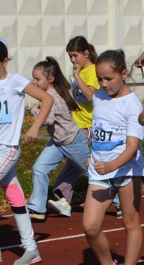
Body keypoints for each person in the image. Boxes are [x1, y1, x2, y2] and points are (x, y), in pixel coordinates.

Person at [0, 39, 52, 265]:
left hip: (7, 149)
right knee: (15, 197)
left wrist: (34, 127)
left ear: (5, 61)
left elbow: (47, 99)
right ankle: (31, 248)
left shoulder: (16, 81)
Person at [82, 50, 144, 265]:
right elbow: (99, 128)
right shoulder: (99, 96)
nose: (103, 84)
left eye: (109, 79)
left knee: (130, 222)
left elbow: (131, 147)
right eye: (100, 79)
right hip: (99, 170)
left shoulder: (132, 104)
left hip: (127, 171)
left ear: (124, 74)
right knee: (90, 225)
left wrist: (112, 166)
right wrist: (93, 153)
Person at [42, 36, 100, 218]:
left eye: (75, 56)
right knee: (77, 163)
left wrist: (77, 78)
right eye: (70, 57)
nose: (73, 60)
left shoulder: (93, 72)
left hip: (87, 125)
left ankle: (114, 194)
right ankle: (64, 199)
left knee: (79, 164)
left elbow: (91, 97)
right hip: (75, 124)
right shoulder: (79, 72)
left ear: (86, 53)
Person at [25, 57, 89, 219]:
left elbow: (48, 120)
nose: (34, 82)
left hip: (72, 141)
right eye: (33, 78)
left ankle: (118, 198)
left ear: (50, 79)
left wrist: (34, 110)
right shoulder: (48, 94)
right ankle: (37, 207)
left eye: (37, 79)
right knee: (39, 169)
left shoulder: (51, 96)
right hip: (58, 142)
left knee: (92, 172)